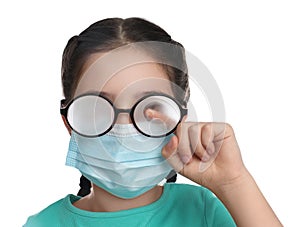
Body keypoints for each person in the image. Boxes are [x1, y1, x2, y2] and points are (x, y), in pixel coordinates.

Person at [24, 17, 282, 227]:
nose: (122, 127)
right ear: (69, 123)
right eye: (96, 109)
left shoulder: (204, 211)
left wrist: (233, 182)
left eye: (150, 107)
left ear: (180, 119)